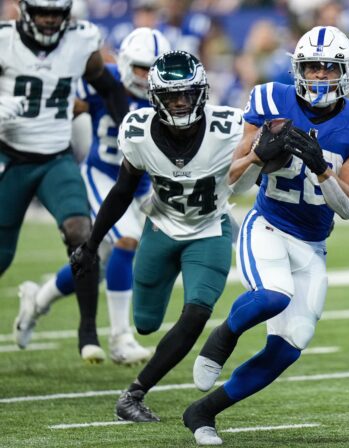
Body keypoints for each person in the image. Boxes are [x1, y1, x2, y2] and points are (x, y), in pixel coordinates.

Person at [182, 26, 349, 446]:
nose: (320, 75)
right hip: (268, 225)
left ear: (346, 73)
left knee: (292, 344)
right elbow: (233, 183)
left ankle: (203, 412)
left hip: (312, 242)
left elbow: (348, 208)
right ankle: (223, 337)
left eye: (330, 68)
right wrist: (259, 154)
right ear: (297, 67)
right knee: (274, 294)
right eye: (312, 66)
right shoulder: (270, 98)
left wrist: (321, 167)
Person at [69, 50, 242, 421]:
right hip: (160, 228)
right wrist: (92, 243)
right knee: (145, 324)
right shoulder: (136, 130)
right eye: (171, 95)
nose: (180, 102)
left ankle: (133, 394)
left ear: (202, 93)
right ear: (155, 97)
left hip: (210, 230)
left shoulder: (230, 126)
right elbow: (122, 190)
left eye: (187, 93)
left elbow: (268, 147)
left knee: (196, 313)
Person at [13, 27, 171, 365]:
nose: (146, 77)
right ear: (126, 62)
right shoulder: (105, 78)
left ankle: (36, 301)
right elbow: (67, 103)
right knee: (126, 241)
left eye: (153, 68)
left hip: (141, 187)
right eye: (140, 67)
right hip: (102, 175)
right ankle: (120, 338)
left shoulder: (172, 90)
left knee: (94, 266)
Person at [1, 0, 130, 361]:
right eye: (42, 11)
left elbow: (109, 85)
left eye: (56, 13)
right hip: (9, 156)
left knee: (82, 234)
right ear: (25, 10)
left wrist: (128, 132)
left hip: (56, 157)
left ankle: (87, 331)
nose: (48, 19)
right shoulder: (4, 40)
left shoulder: (81, 40)